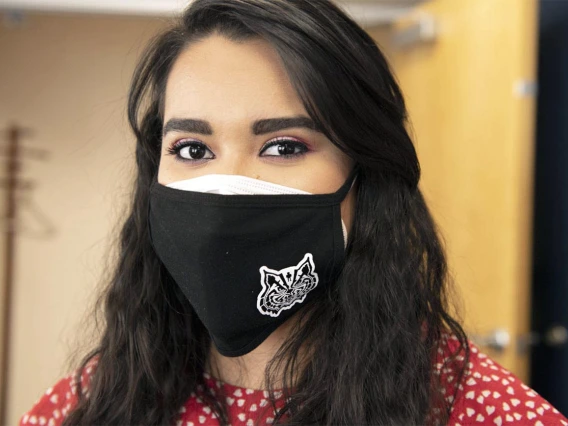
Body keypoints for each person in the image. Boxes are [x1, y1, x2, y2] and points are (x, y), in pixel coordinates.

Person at [18, 0, 568, 425]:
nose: (227, 186)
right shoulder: (96, 402)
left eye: (283, 146)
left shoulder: (479, 409)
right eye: (191, 149)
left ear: (366, 173)